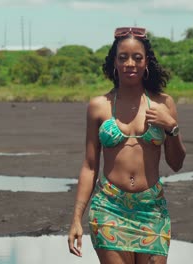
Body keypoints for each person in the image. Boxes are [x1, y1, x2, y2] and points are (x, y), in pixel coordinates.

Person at [68, 26, 186, 264]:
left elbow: (176, 163)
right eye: (123, 57)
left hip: (151, 209)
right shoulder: (99, 106)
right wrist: (76, 219)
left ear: (146, 63)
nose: (130, 63)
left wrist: (171, 126)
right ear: (114, 62)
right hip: (109, 209)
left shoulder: (163, 104)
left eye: (137, 57)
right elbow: (90, 166)